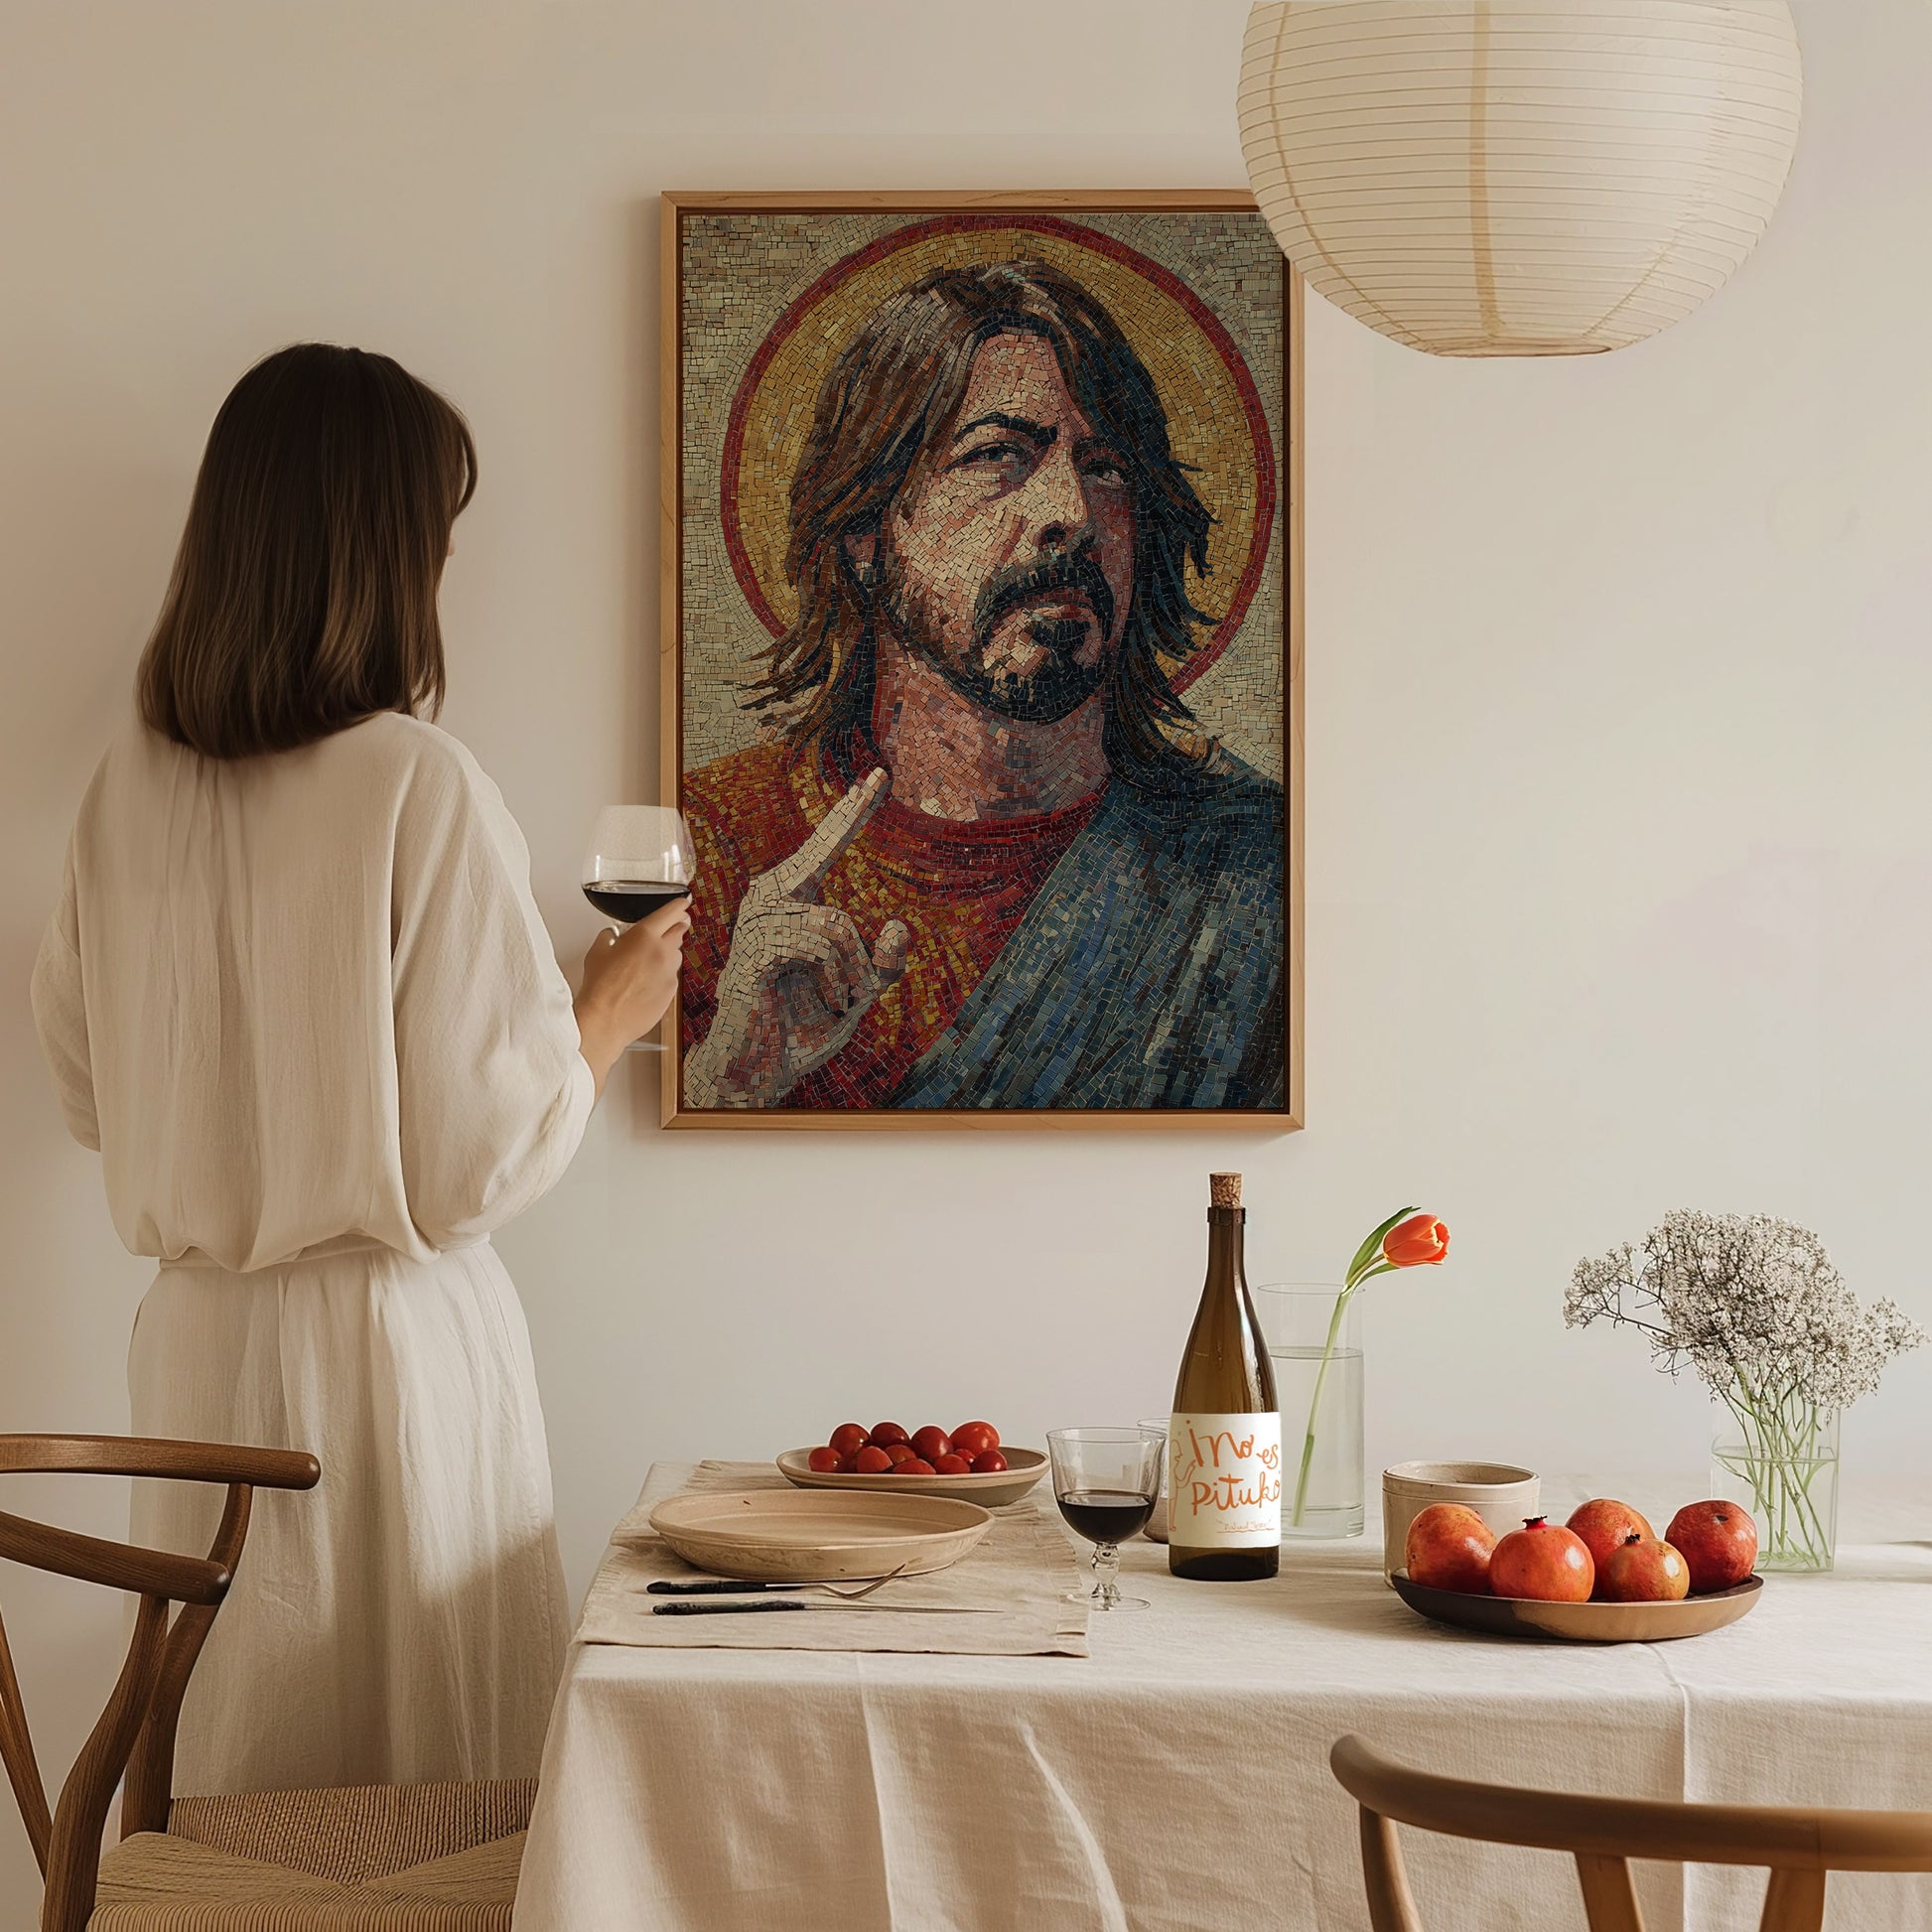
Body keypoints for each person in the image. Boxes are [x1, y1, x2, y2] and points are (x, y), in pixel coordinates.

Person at [30, 344, 688, 1793]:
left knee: (237, 1783)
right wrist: (603, 1014)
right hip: (389, 1364)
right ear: (383, 552)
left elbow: (86, 1092)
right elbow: (472, 1164)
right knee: (422, 1800)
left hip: (195, 1354)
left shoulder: (122, 790)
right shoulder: (415, 780)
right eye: (434, 542)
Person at [680, 259, 1283, 1112]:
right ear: (866, 528)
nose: (1069, 509)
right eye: (997, 454)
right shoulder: (714, 847)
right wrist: (724, 1087)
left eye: (1105, 466)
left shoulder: (1254, 869)